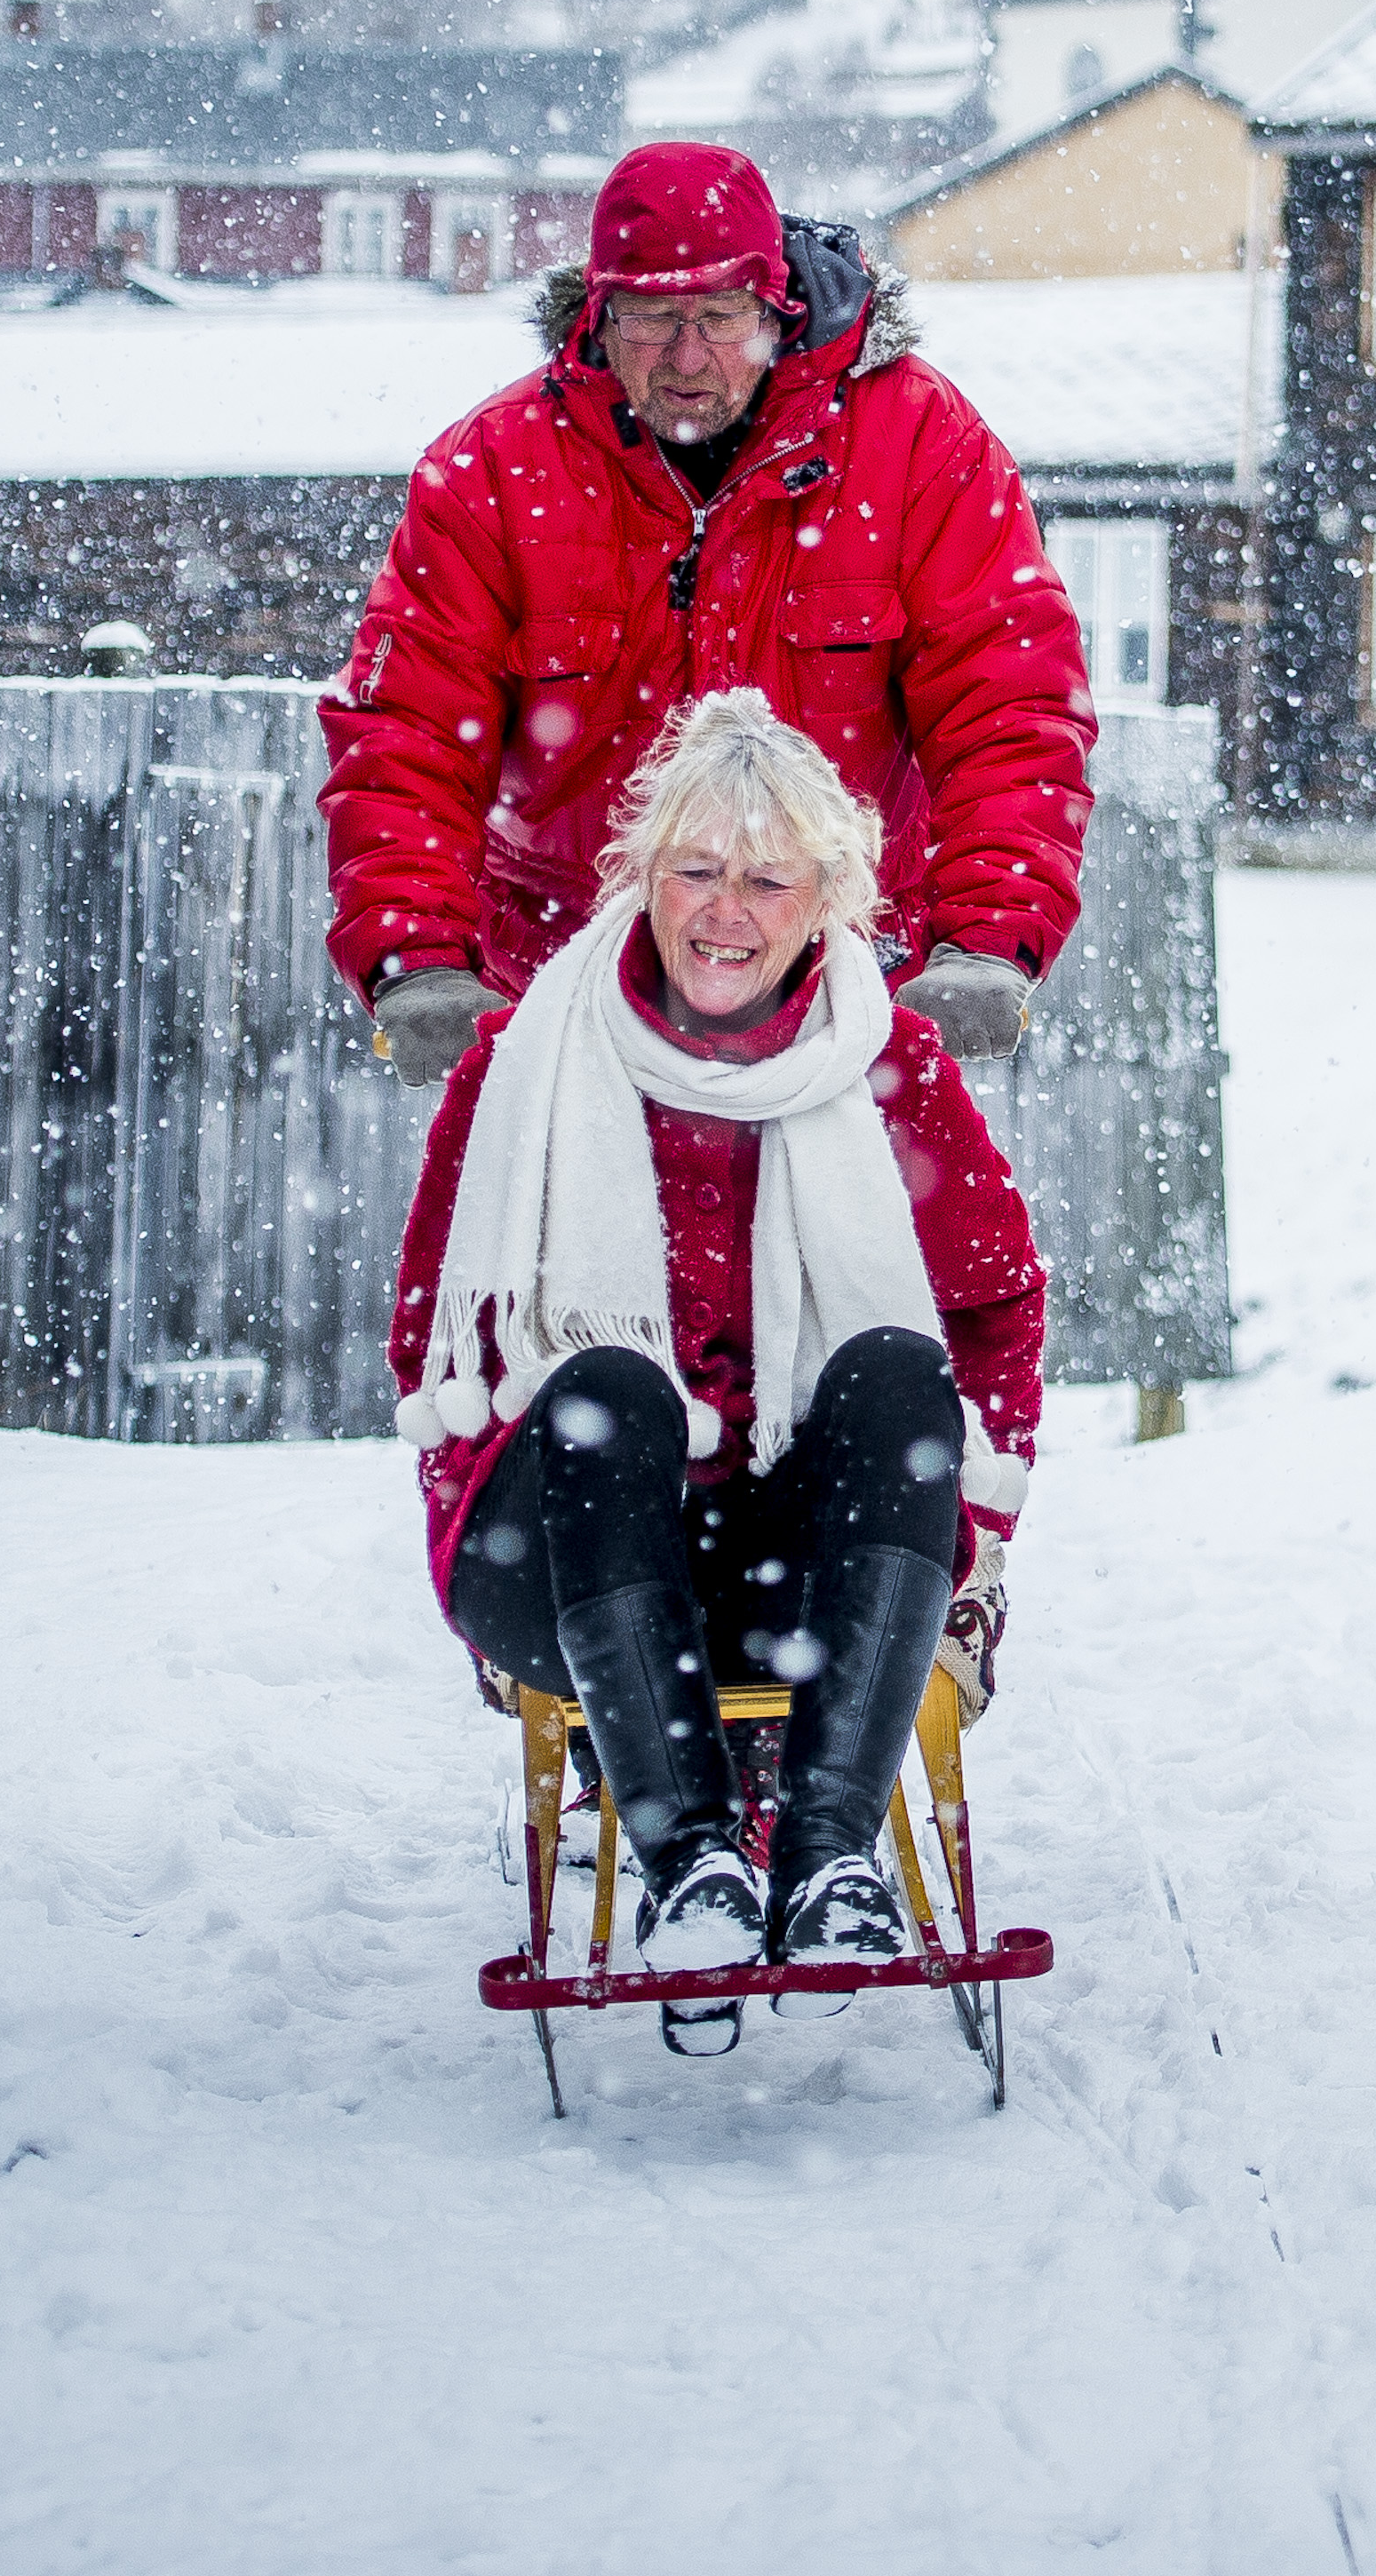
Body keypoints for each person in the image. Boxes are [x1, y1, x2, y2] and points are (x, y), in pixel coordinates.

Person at [390, 691, 1042, 1976]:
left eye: (765, 880)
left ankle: (830, 1857)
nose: (725, 912)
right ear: (641, 877)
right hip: (567, 1550)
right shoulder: (530, 1057)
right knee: (608, 1388)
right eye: (694, 870)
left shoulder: (889, 1062)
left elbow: (993, 1313)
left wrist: (974, 1539)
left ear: (826, 900)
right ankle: (689, 1861)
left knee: (905, 1363)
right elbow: (433, 1330)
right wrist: (469, 1483)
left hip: (809, 1566)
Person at [320, 138, 1093, 1085]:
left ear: (778, 309)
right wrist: (421, 959)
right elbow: (409, 732)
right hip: (566, 1006)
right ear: (597, 316)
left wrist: (987, 942)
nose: (689, 358)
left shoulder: (921, 445)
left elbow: (1008, 706)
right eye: (652, 319)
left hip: (845, 1002)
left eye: (722, 317)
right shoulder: (490, 472)